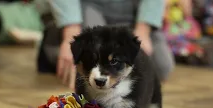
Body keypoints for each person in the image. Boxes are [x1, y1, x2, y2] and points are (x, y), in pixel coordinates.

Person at [35, 0, 175, 90]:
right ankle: (54, 41)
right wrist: (70, 33)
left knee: (161, 67)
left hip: (130, 11)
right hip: (85, 6)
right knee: (93, 49)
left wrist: (143, 31)